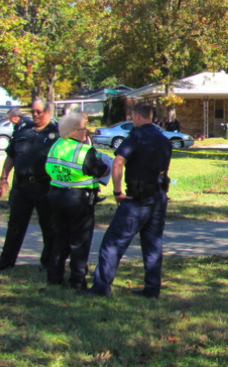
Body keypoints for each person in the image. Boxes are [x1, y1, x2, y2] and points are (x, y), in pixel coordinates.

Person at [85, 103, 172, 298]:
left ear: (138, 116)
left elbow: (118, 162)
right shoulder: (164, 140)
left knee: (113, 242)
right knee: (152, 244)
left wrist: (117, 192)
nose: (132, 120)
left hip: (137, 199)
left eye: (133, 117)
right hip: (158, 198)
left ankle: (101, 287)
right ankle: (152, 289)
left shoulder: (136, 138)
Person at [0, 99, 59, 273]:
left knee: (49, 227)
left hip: (45, 186)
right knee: (15, 226)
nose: (35, 115)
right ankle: (6, 261)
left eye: (39, 112)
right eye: (33, 111)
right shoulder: (23, 131)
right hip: (22, 187)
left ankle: (48, 261)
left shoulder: (56, 134)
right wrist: (3, 179)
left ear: (48, 112)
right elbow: (11, 157)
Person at [45, 112, 110, 290]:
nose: (86, 132)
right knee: (80, 243)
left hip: (57, 196)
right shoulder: (83, 151)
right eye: (84, 129)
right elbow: (101, 170)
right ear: (75, 132)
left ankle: (54, 276)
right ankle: (78, 281)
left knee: (60, 239)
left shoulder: (56, 146)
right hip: (79, 200)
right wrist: (91, 150)